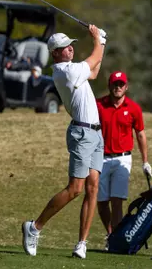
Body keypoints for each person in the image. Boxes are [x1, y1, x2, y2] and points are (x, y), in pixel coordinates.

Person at [21, 25, 106, 259]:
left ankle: (81, 243)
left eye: (70, 45)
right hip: (82, 134)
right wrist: (98, 40)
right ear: (55, 53)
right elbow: (95, 57)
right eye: (64, 47)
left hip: (96, 133)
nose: (70, 48)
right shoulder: (65, 71)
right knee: (75, 189)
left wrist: (102, 44)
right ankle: (34, 227)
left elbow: (95, 71)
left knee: (93, 186)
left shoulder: (75, 70)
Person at [96, 71, 152, 247]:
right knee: (101, 201)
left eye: (121, 84)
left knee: (117, 200)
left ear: (126, 87)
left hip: (123, 158)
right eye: (115, 84)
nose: (118, 87)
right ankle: (110, 233)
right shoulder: (99, 105)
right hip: (101, 158)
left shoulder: (133, 108)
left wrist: (145, 161)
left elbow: (140, 135)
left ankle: (115, 240)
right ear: (109, 86)